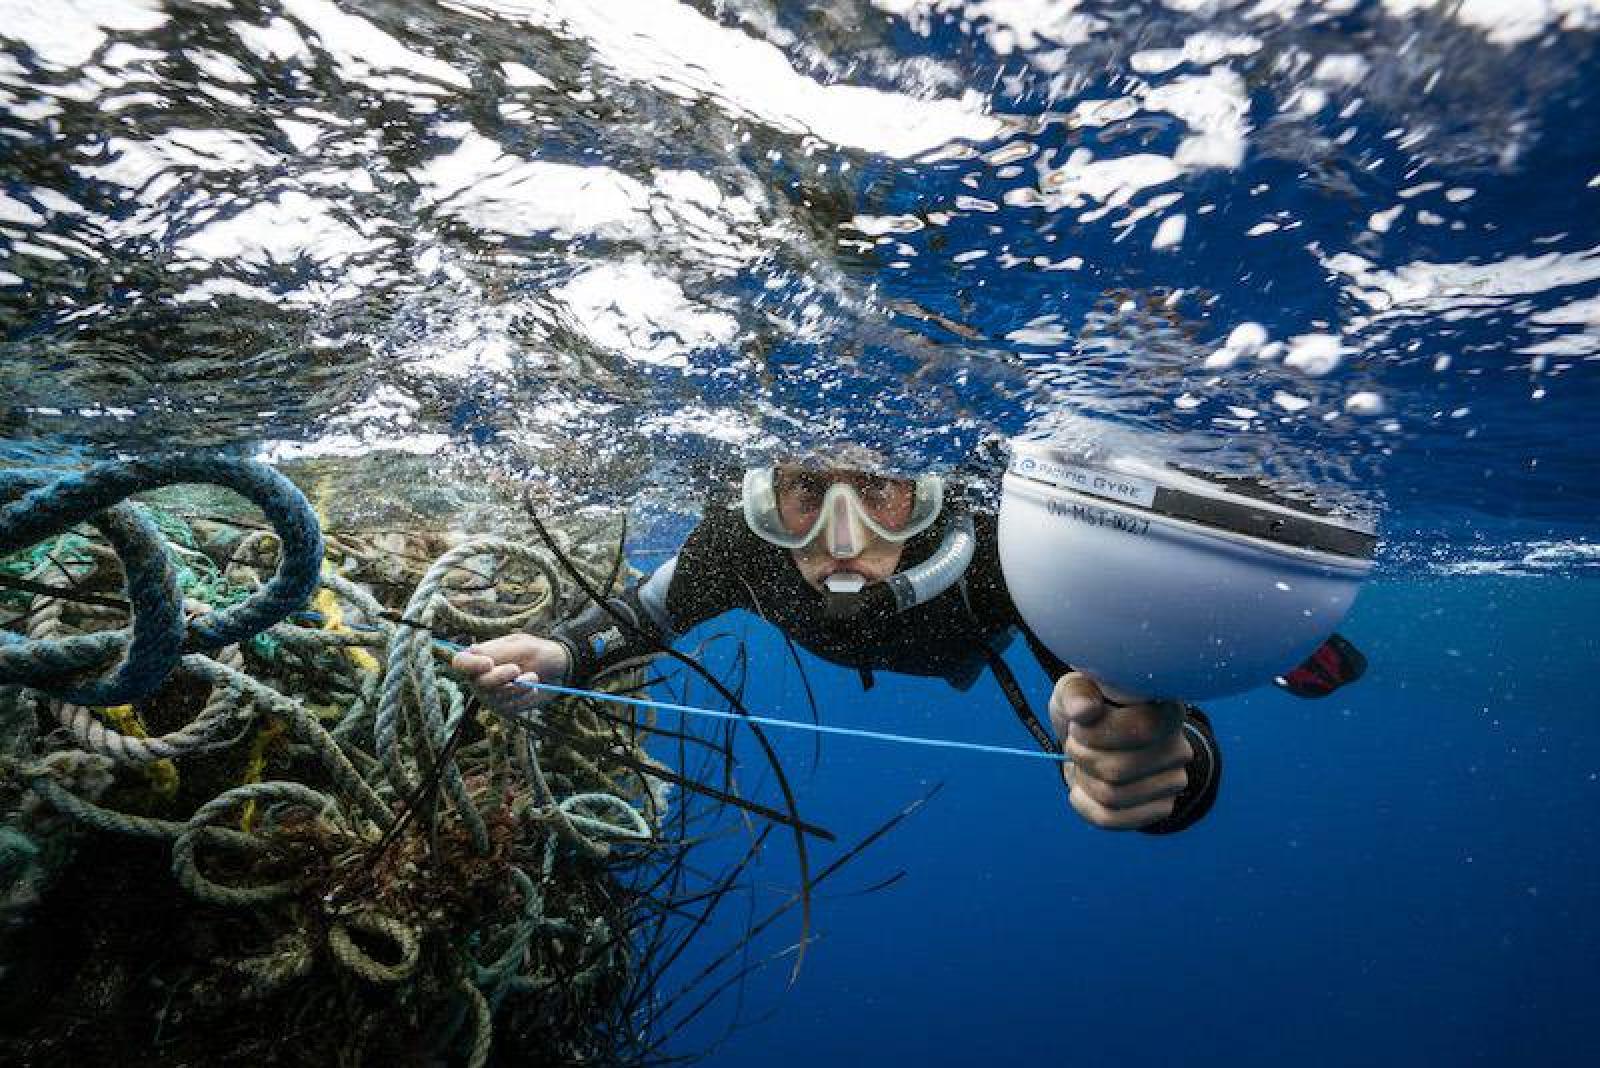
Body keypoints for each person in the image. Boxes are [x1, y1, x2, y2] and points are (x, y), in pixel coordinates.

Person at [453, 458, 1363, 833]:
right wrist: (560, 657)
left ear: (938, 497)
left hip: (999, 624)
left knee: (1174, 618)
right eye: (806, 493)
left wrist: (1168, 763)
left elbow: (1132, 719)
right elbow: (638, 619)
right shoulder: (739, 547)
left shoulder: (1005, 561)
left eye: (885, 491)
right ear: (762, 498)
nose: (842, 539)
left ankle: (1280, 643)